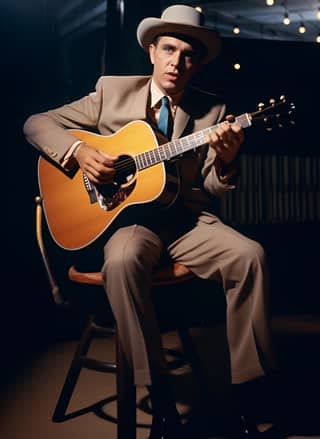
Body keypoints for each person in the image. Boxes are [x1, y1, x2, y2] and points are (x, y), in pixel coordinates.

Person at [24, 4, 280, 438]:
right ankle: (160, 397)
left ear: (196, 64)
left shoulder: (213, 112)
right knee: (121, 263)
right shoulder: (111, 92)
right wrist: (81, 154)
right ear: (151, 52)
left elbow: (215, 190)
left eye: (187, 55)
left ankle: (247, 394)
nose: (176, 63)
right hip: (129, 224)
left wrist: (229, 160)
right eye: (168, 50)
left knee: (250, 256)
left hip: (186, 221)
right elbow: (35, 124)